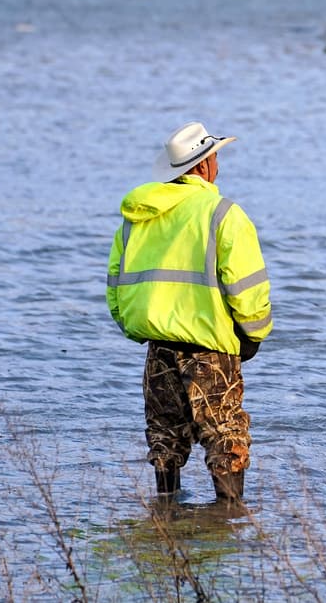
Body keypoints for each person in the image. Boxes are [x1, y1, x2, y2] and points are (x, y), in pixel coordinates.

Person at [106, 121, 272, 504]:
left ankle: (166, 520)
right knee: (225, 437)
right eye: (215, 157)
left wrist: (135, 327)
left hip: (158, 346)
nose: (218, 164)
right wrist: (253, 335)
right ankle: (228, 522)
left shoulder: (137, 217)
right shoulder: (223, 213)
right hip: (209, 349)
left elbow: (115, 287)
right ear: (202, 166)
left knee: (164, 439)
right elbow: (248, 288)